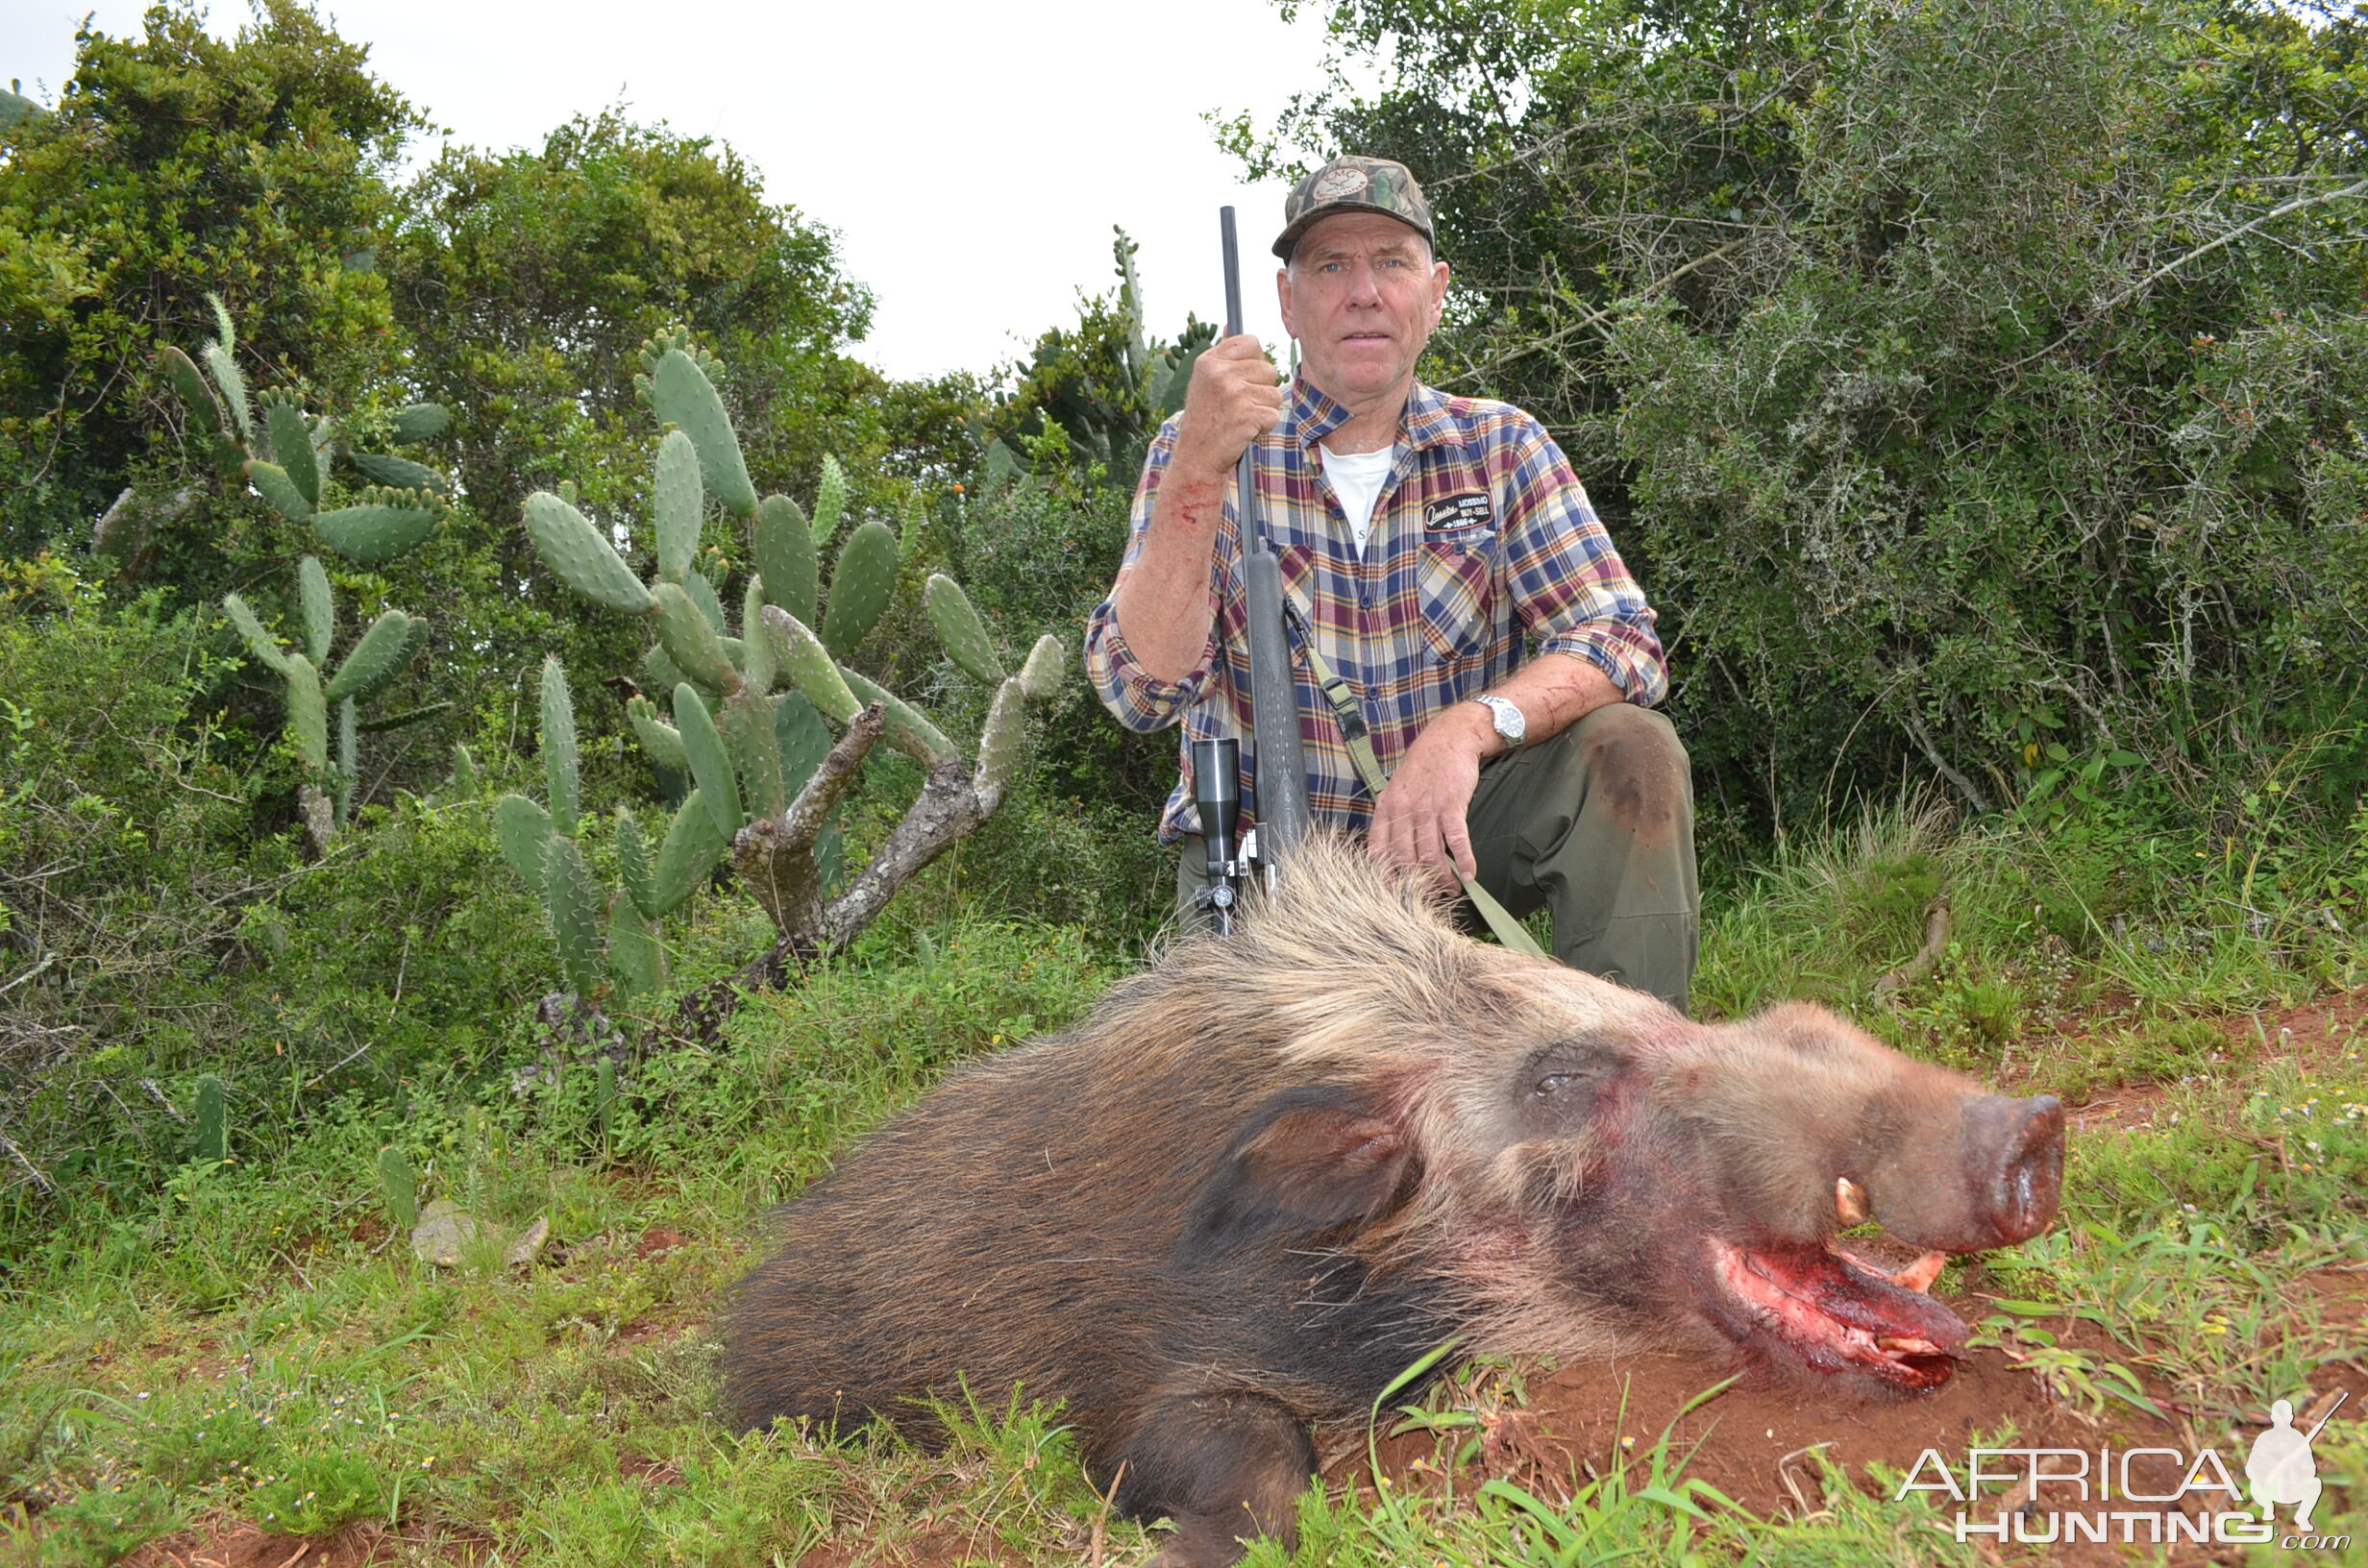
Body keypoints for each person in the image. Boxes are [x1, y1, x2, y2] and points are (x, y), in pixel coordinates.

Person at [1083, 155, 1699, 1011]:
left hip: (1446, 849)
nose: (1363, 292)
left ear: (1435, 292)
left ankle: (1630, 1082)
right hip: (1268, 871)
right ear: (1287, 301)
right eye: (1331, 266)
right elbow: (1134, 691)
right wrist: (1198, 466)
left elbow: (1622, 637)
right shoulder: (1196, 448)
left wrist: (1468, 731)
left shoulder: (1501, 447)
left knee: (1631, 749)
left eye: (1392, 263)